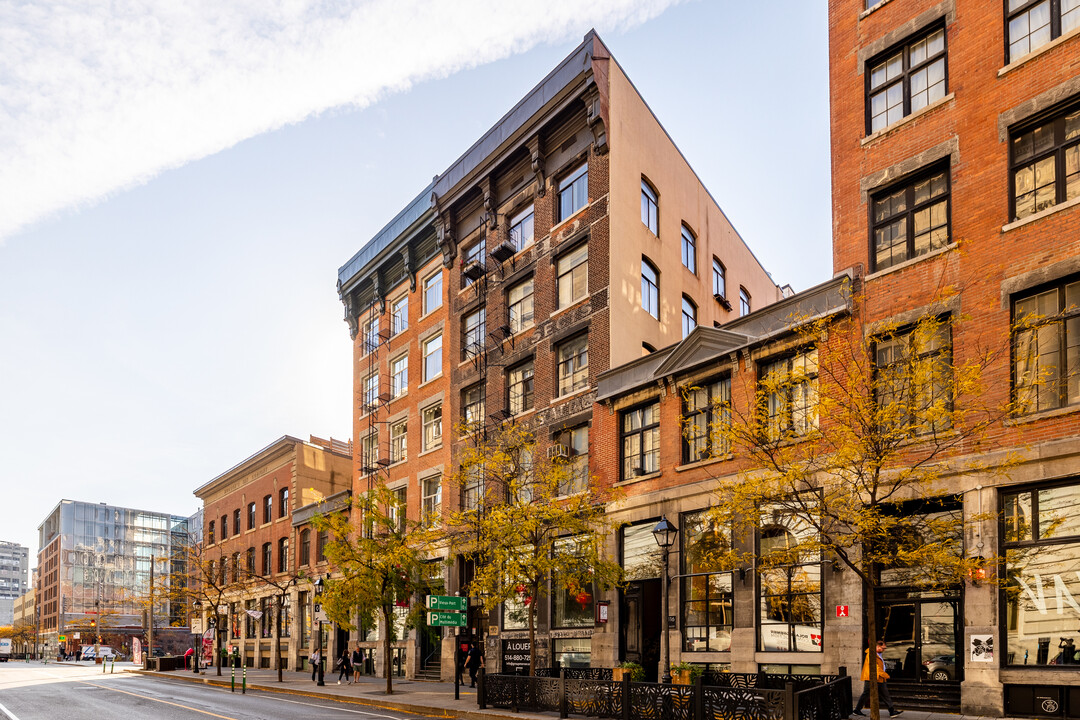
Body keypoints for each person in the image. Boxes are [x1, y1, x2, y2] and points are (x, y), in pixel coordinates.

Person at [854, 640, 902, 717]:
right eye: (883, 648)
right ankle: (857, 710)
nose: (884, 650)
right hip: (872, 678)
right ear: (878, 646)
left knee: (885, 694)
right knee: (866, 694)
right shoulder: (871, 654)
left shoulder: (878, 654)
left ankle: (892, 711)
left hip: (879, 678)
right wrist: (886, 675)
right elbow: (875, 668)